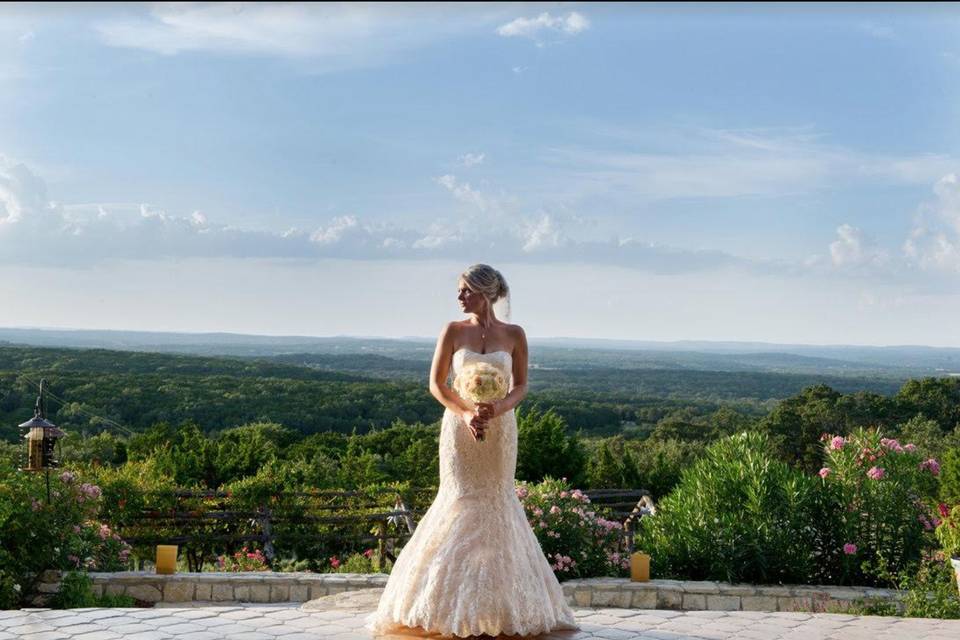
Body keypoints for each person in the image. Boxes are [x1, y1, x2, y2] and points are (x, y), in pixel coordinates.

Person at [365, 264, 580, 638]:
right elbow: (436, 383)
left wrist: (497, 409)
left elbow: (522, 385)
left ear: (484, 292)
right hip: (459, 428)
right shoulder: (452, 331)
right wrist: (466, 412)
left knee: (497, 501)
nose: (459, 296)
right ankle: (444, 605)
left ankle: (500, 607)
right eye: (460, 289)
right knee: (459, 499)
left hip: (500, 430)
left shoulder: (515, 334)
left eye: (465, 289)